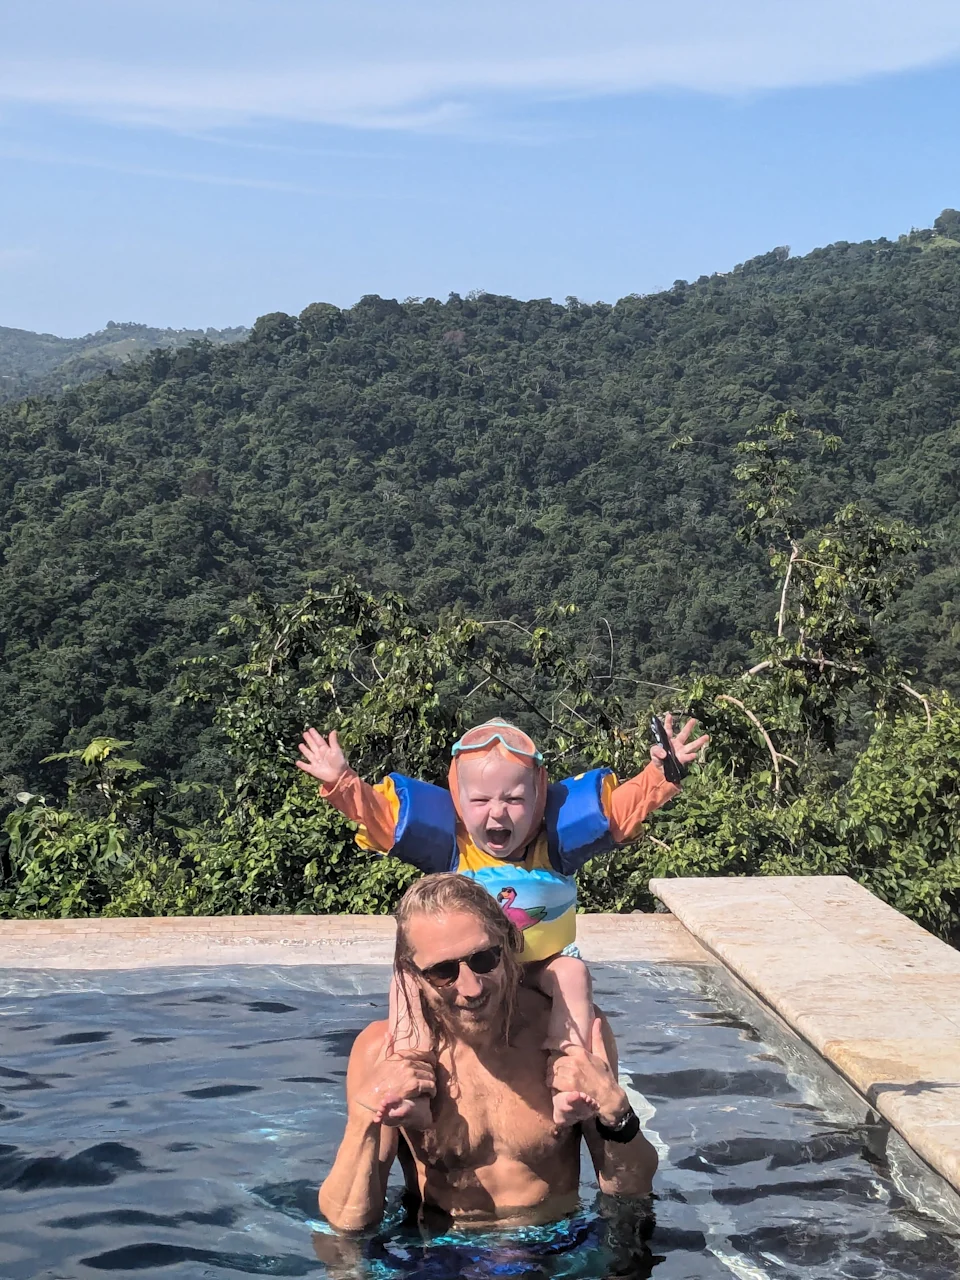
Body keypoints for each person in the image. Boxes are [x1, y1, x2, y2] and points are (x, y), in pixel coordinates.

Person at [297, 714, 707, 1128]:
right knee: (405, 979)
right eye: (480, 801)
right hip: (471, 971)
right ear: (458, 799)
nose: (497, 813)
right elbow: (379, 815)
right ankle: (411, 1075)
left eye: (514, 799)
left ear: (539, 795)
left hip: (538, 967)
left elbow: (621, 808)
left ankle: (567, 1077)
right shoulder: (451, 848)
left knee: (573, 972)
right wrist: (342, 781)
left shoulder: (556, 845)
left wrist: (662, 772)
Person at [318, 873, 659, 1234]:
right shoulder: (382, 1051)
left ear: (508, 945)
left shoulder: (568, 1036)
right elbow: (347, 1223)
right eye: (443, 972)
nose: (471, 988)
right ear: (413, 975)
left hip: (558, 1244)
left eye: (483, 960)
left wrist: (616, 1112)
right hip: (441, 1249)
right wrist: (366, 1115)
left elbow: (630, 1190)